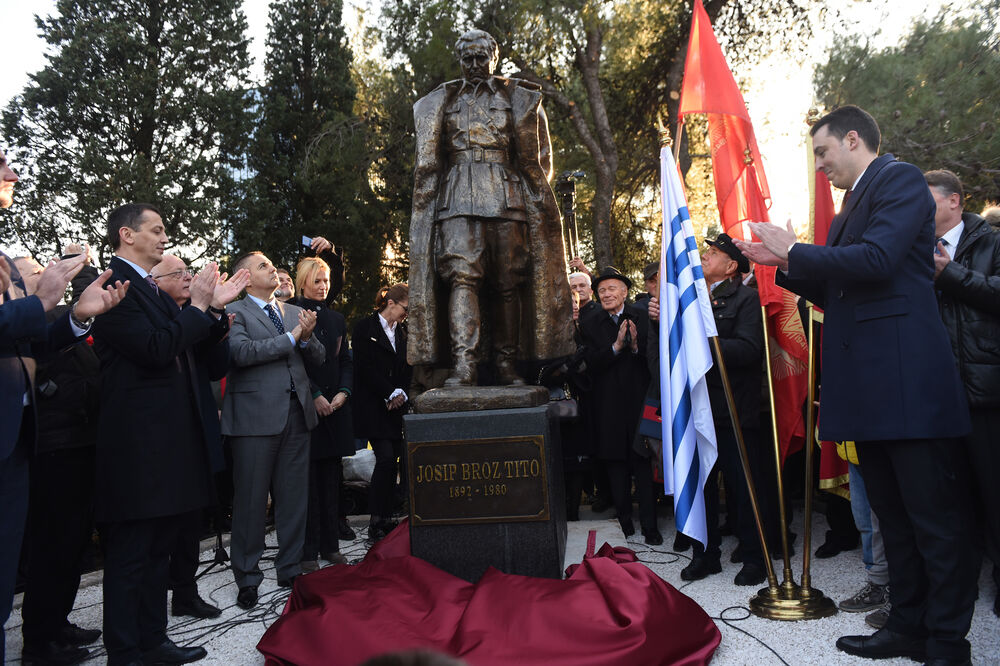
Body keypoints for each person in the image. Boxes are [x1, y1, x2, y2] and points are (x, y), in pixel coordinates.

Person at [737, 105, 975, 664]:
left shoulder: (898, 179)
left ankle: (947, 642)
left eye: (823, 152)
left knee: (933, 523)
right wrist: (782, 262)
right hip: (868, 389)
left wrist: (795, 249)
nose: (820, 165)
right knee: (894, 521)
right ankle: (908, 625)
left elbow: (878, 259)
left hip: (906, 385)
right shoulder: (849, 209)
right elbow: (839, 292)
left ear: (852, 139)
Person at [91, 203, 246, 666]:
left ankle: (153, 640)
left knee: (158, 549)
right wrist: (200, 305)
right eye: (156, 230)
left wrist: (214, 314)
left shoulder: (151, 292)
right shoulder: (114, 289)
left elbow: (187, 348)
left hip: (168, 444)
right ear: (126, 235)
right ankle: (124, 650)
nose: (164, 237)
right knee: (132, 554)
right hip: (137, 446)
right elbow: (157, 349)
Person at [2, 147, 129, 665]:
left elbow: (29, 346)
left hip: (24, 439)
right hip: (44, 439)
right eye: (0, 163)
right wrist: (41, 302)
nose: (12, 172)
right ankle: (40, 640)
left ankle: (49, 630)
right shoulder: (30, 300)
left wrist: (75, 318)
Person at [408, 29, 574, 387]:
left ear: (494, 58)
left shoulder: (519, 99)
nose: (474, 66)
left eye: (481, 58)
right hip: (456, 197)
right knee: (462, 280)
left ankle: (506, 366)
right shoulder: (441, 102)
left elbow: (540, 160)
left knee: (507, 283)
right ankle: (464, 366)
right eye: (467, 59)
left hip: (506, 197)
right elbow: (429, 160)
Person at [221, 251, 324, 609]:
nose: (273, 270)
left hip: (297, 415)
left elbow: (319, 357)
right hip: (254, 419)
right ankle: (247, 577)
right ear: (245, 278)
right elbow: (243, 354)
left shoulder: (295, 312)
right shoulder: (235, 313)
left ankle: (290, 567)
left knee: (294, 497)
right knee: (250, 501)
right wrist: (294, 337)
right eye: (263, 265)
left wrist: (307, 339)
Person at [16, 250, 104, 666]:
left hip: (81, 439)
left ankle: (58, 622)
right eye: (34, 271)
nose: (47, 274)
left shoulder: (60, 319)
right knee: (52, 545)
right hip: (53, 445)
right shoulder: (27, 324)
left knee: (72, 544)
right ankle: (38, 639)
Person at [671, 235, 767, 586]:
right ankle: (705, 555)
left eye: (713, 253)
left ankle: (755, 557)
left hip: (735, 411)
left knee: (743, 490)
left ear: (731, 266)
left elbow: (749, 349)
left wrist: (706, 342)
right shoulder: (693, 299)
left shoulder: (746, 298)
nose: (705, 257)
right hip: (700, 410)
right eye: (706, 251)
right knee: (703, 488)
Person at [927, 168, 1000, 618]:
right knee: (949, 502)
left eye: (927, 201)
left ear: (955, 201)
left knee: (993, 493)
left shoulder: (992, 242)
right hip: (936, 396)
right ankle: (960, 586)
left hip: (986, 392)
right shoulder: (912, 249)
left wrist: (950, 274)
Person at [148, 254, 229, 620]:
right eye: (177, 273)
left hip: (198, 428)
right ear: (155, 281)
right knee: (163, 526)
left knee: (192, 519)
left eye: (187, 271)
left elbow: (216, 367)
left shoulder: (193, 316)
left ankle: (185, 591)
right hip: (164, 435)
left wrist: (214, 314)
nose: (186, 277)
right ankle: (154, 603)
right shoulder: (158, 315)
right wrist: (200, 310)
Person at [577, 267, 656, 543]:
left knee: (642, 461)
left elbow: (653, 357)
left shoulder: (643, 316)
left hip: (639, 403)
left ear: (624, 292)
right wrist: (616, 347)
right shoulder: (590, 324)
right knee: (615, 463)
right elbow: (589, 363)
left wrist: (634, 348)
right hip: (607, 405)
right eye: (602, 291)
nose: (607, 294)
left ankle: (650, 525)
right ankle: (624, 521)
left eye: (612, 289)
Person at [290, 256, 354, 569]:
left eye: (325, 280)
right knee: (308, 485)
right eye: (317, 280)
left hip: (336, 410)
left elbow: (345, 361)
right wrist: (314, 394)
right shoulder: (290, 313)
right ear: (303, 282)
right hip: (306, 410)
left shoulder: (338, 319)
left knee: (332, 481)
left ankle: (331, 547)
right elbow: (294, 362)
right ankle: (308, 551)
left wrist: (343, 393)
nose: (322, 286)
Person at [352, 284, 412, 541]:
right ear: (391, 303)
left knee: (393, 462)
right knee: (385, 459)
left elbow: (408, 366)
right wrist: (388, 393)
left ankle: (386, 517)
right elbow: (364, 368)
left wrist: (402, 394)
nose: (406, 315)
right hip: (374, 406)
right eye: (405, 309)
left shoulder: (405, 332)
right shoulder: (364, 327)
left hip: (396, 408)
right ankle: (376, 520)